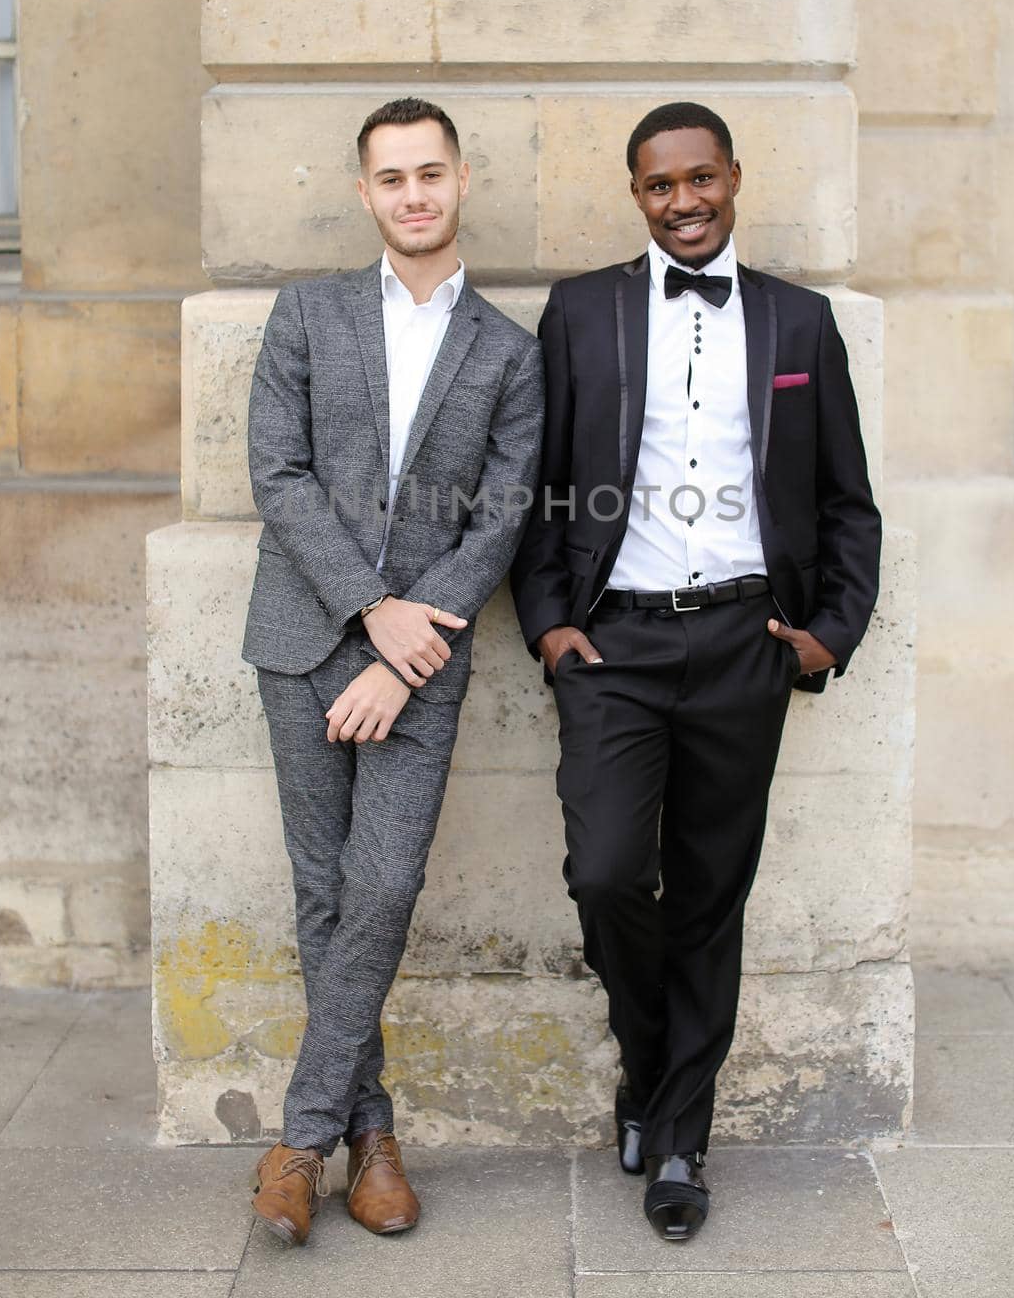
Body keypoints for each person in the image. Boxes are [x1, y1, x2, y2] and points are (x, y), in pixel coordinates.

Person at [511, 101, 881, 1241]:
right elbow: (533, 486)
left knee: (710, 891)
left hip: (742, 644)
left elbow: (846, 502)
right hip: (611, 641)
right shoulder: (577, 313)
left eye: (699, 178)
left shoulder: (799, 323)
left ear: (731, 178)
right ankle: (648, 1065)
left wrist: (828, 632)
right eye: (659, 185)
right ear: (637, 195)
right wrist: (546, 624)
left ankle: (677, 1133)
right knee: (609, 871)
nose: (682, 201)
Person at [242, 96, 544, 1245]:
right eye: (391, 177)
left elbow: (505, 514)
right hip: (303, 638)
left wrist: (409, 643)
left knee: (380, 888)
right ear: (363, 191)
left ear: (461, 181)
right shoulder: (304, 315)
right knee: (322, 896)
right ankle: (370, 1139)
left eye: (431, 173)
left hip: (423, 660)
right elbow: (278, 474)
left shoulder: (510, 352)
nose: (412, 194)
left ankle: (299, 1140)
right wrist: (369, 611)